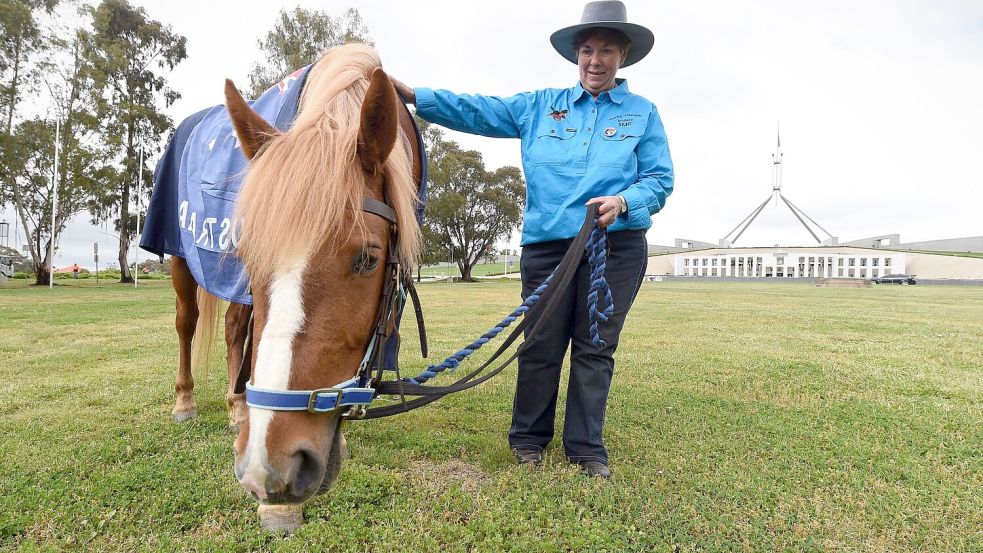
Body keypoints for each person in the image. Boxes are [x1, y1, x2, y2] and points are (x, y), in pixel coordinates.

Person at [394, 0, 673, 478]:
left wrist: (624, 203)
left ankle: (586, 448)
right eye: (587, 49)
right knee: (540, 344)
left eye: (607, 50)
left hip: (615, 247)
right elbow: (479, 111)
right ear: (575, 55)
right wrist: (414, 94)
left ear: (622, 56)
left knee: (595, 346)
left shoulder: (642, 114)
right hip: (548, 246)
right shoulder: (540, 106)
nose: (596, 60)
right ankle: (528, 440)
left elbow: (659, 180)